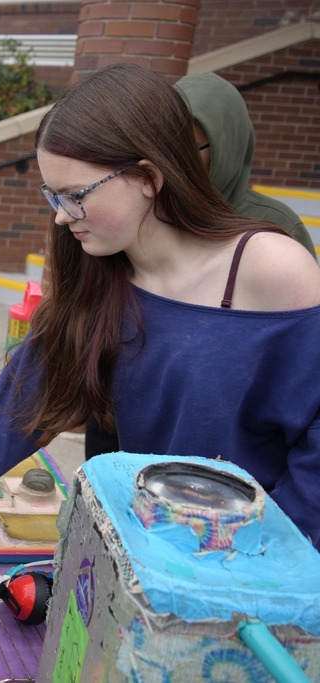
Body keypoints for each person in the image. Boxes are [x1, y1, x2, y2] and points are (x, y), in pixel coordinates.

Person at [0, 63, 320, 571]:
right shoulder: (96, 282)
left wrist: (277, 563)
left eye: (76, 196)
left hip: (263, 579)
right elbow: (1, 430)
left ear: (149, 177)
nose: (62, 215)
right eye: (52, 196)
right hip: (147, 563)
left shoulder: (270, 267)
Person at [84, 70, 317, 460]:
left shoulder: (275, 235)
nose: (172, 162)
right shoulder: (146, 208)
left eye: (188, 147)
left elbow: (294, 370)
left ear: (226, 145)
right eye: (161, 146)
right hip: (123, 403)